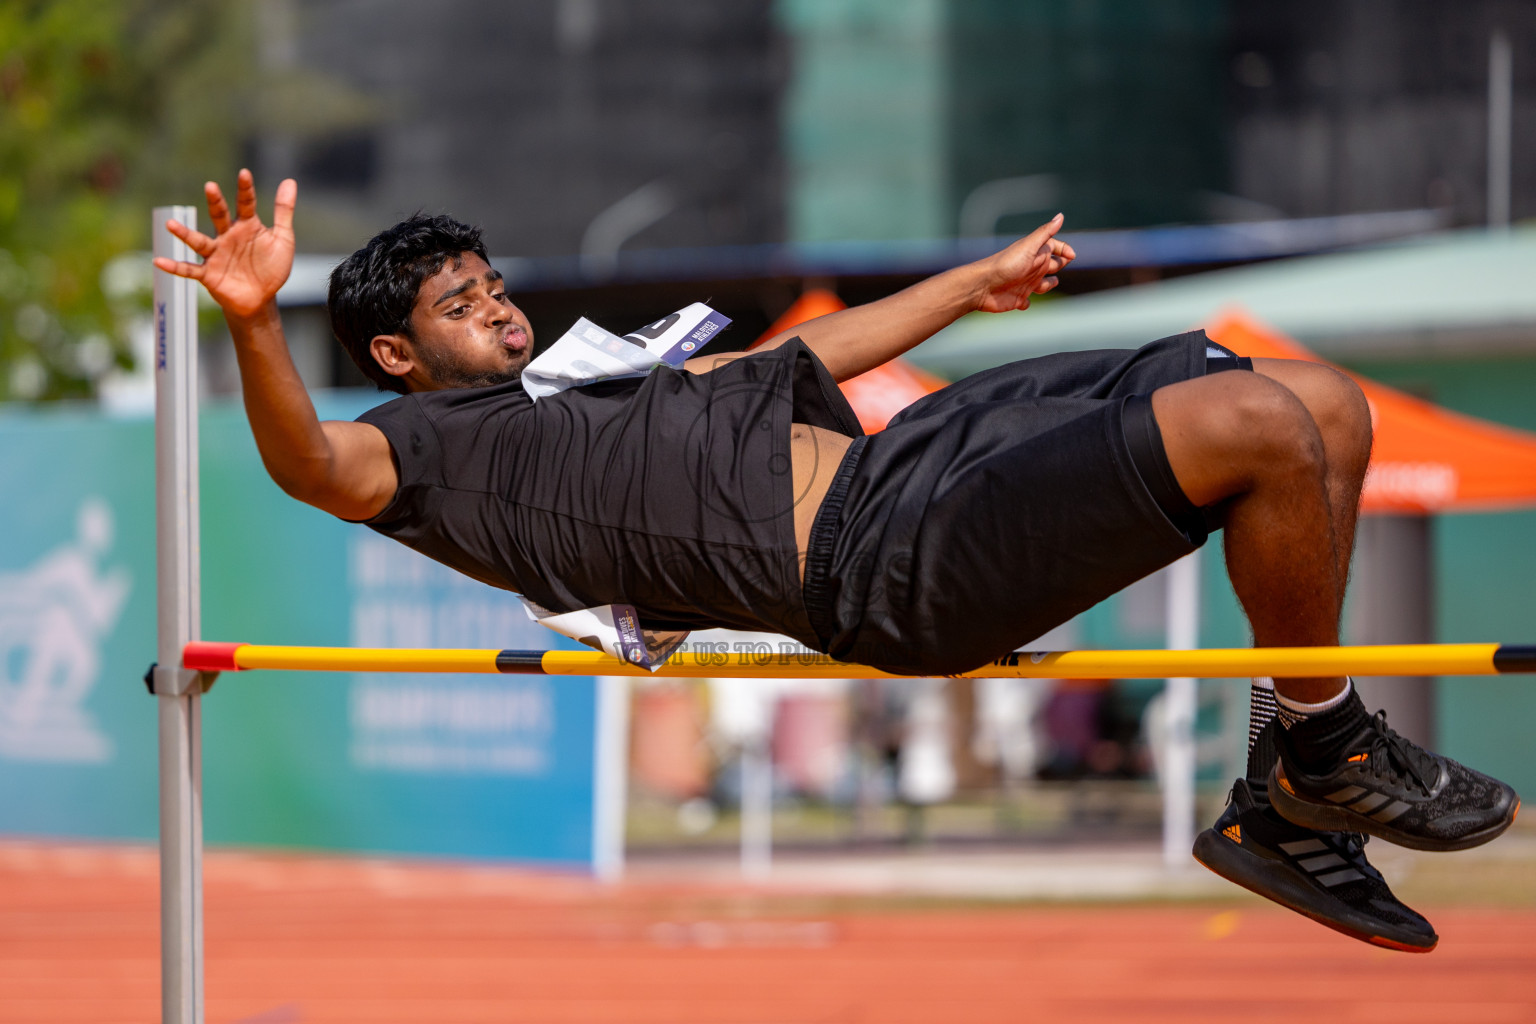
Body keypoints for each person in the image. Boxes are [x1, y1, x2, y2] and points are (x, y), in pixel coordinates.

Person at [157, 170, 1517, 952]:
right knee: (1252, 431)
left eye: (492, 281)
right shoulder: (423, 453)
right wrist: (257, 325)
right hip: (882, 563)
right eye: (460, 305)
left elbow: (801, 362)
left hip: (915, 457)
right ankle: (1322, 755)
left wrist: (972, 287)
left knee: (1318, 403)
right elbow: (307, 468)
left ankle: (1289, 791)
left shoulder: (592, 382)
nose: (498, 305)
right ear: (397, 356)